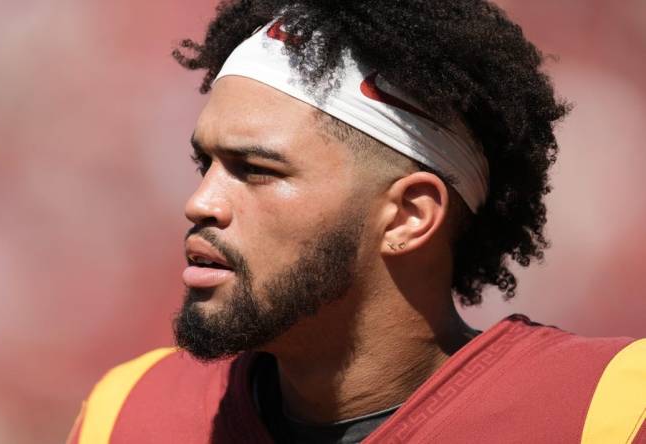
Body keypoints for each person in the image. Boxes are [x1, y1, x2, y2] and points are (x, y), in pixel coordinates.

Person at [68, 1, 646, 443]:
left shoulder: (608, 413)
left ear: (410, 215)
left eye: (256, 169)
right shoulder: (128, 413)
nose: (200, 202)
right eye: (206, 163)